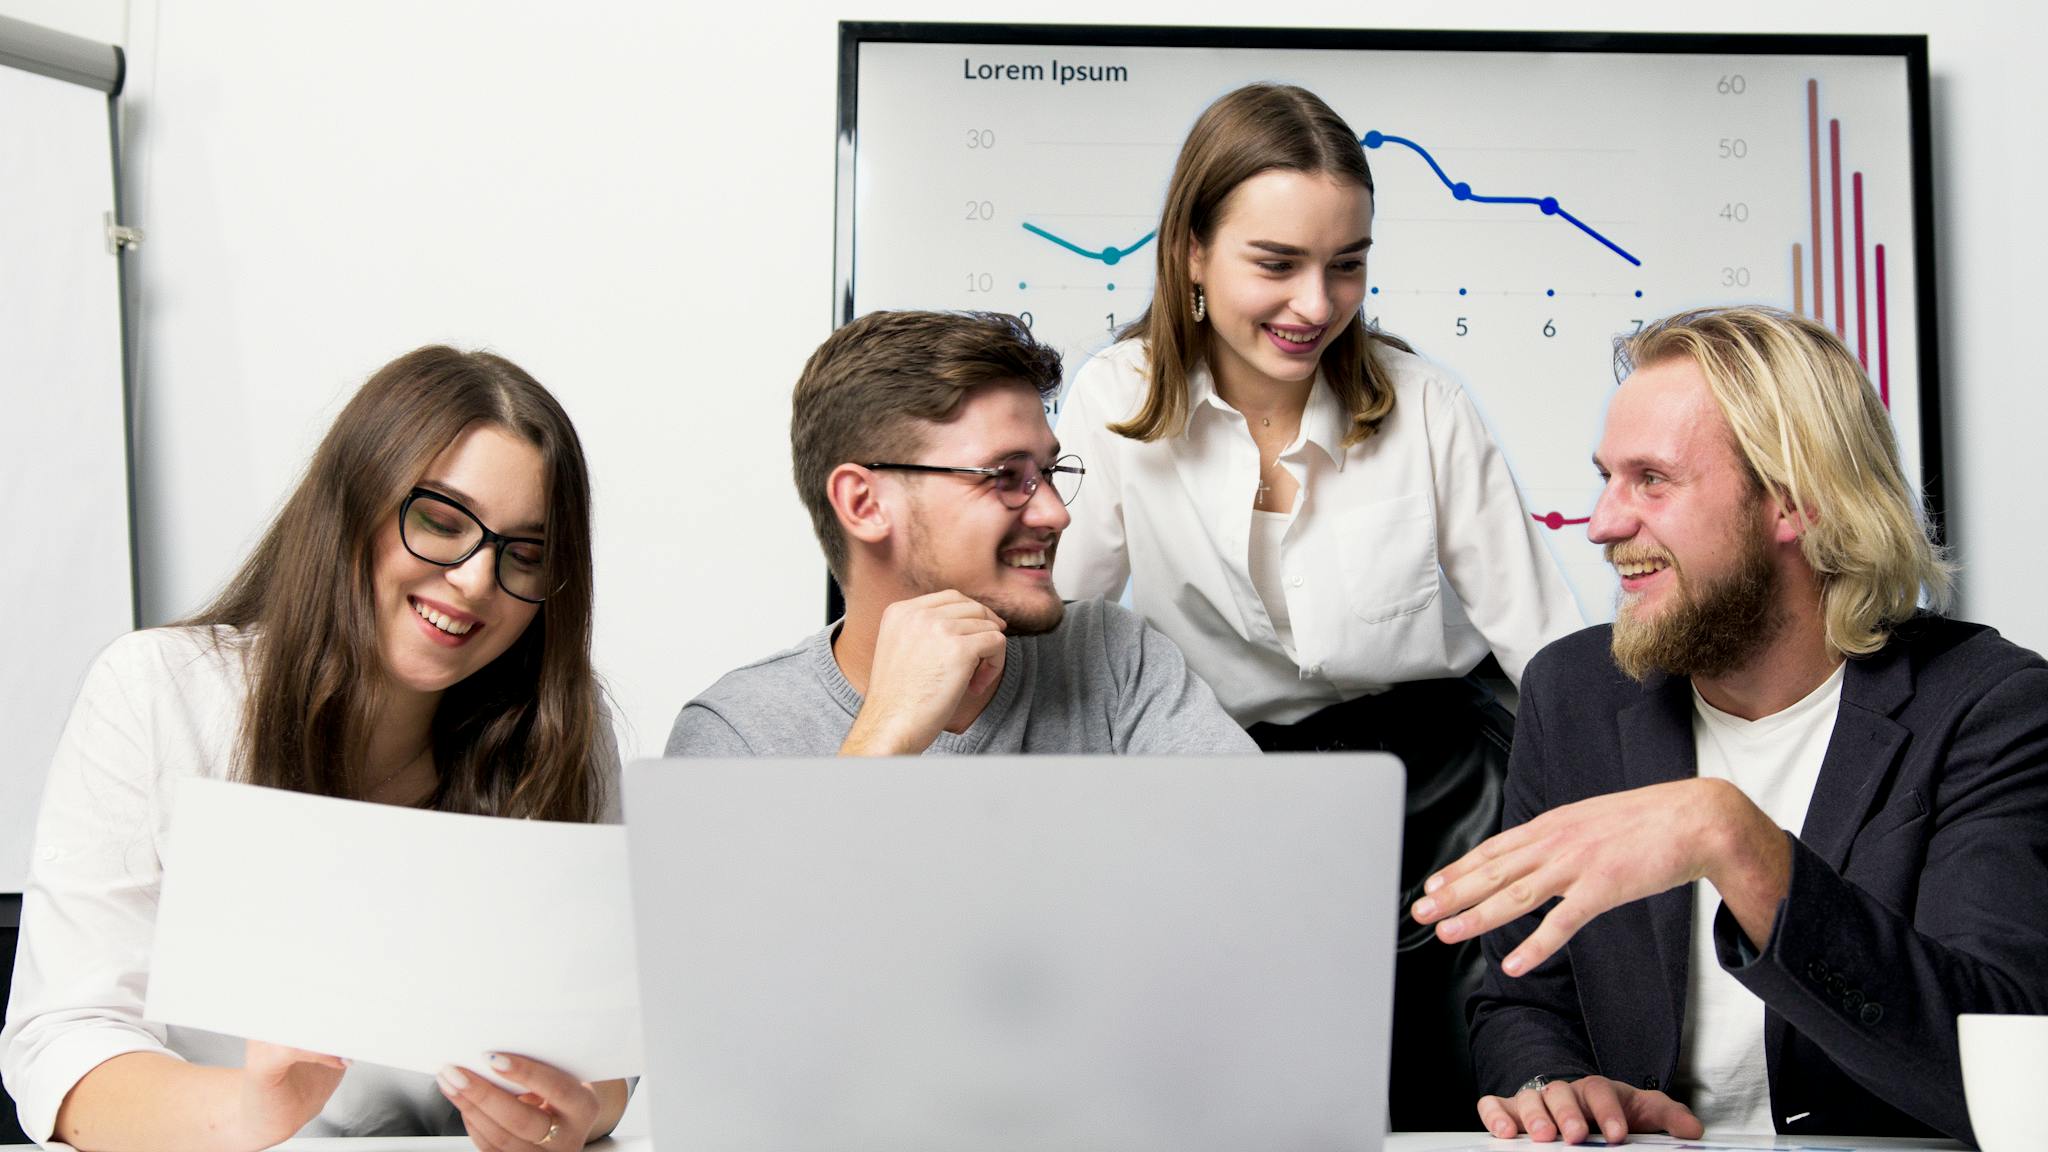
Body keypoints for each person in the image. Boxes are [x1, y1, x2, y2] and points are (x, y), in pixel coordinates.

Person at [1050, 81, 1582, 1126]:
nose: (1314, 304)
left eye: (1346, 265)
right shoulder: (1113, 398)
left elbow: (1544, 643)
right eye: (1275, 264)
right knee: (1235, 1107)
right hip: (1216, 794)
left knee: (1447, 1102)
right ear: (1191, 252)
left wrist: (1645, 810)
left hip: (1437, 794)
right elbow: (1056, 624)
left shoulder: (1424, 403)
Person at [1412, 306, 2048, 1145]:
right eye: (1606, 477)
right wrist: (1558, 1091)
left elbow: (2003, 1070)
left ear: (1794, 503)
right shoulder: (1574, 692)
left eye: (1651, 480)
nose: (1602, 524)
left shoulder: (1992, 708)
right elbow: (1524, 997)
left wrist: (1735, 840)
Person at [0, 348, 631, 1152]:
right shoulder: (159, 692)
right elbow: (63, 1043)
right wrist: (250, 1114)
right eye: (440, 521)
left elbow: (603, 1051)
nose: (477, 580)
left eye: (527, 553)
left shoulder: (563, 731)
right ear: (350, 508)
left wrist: (577, 1112)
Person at [667, 309, 1257, 759]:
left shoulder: (1113, 656)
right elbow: (759, 924)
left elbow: (1268, 872)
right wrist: (885, 735)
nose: (1056, 514)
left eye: (1049, 474)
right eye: (1006, 476)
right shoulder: (737, 732)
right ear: (864, 503)